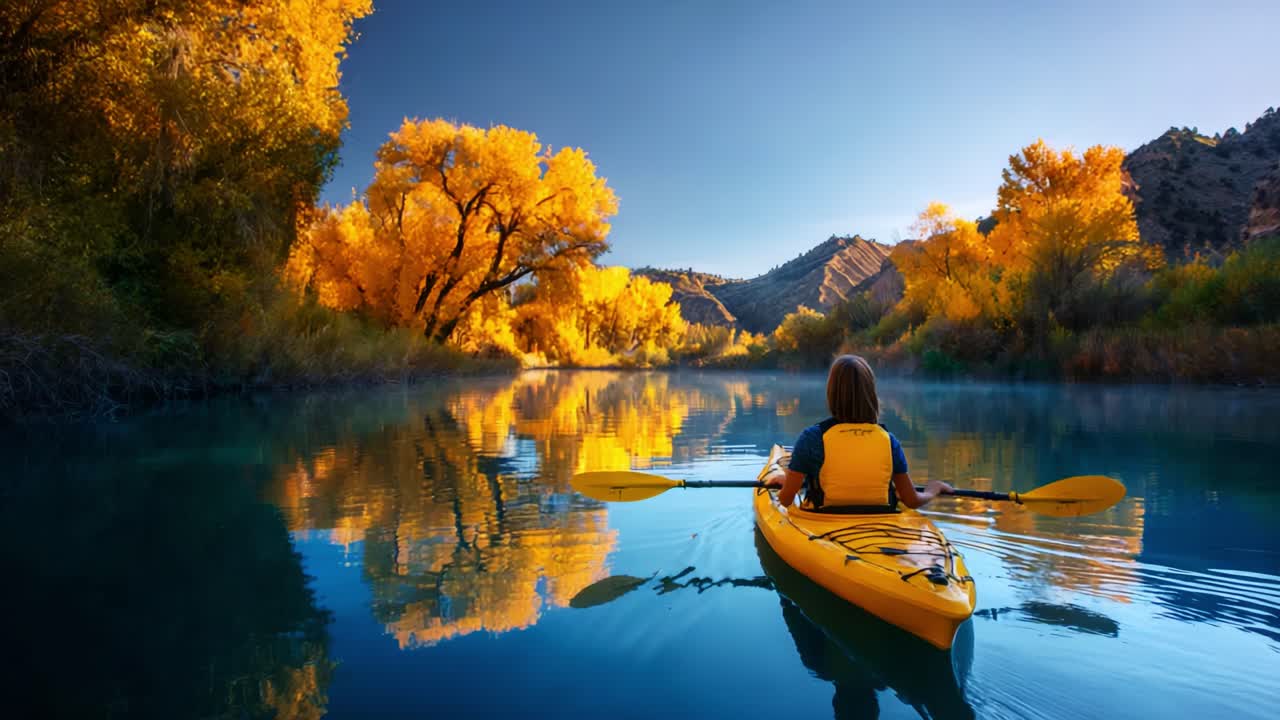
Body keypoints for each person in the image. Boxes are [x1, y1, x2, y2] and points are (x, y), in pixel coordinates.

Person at [767, 354, 953, 511]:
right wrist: (932, 490)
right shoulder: (889, 441)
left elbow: (785, 500)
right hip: (880, 521)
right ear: (871, 393)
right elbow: (911, 500)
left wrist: (787, 481)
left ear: (831, 393)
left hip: (823, 521)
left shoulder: (811, 438)